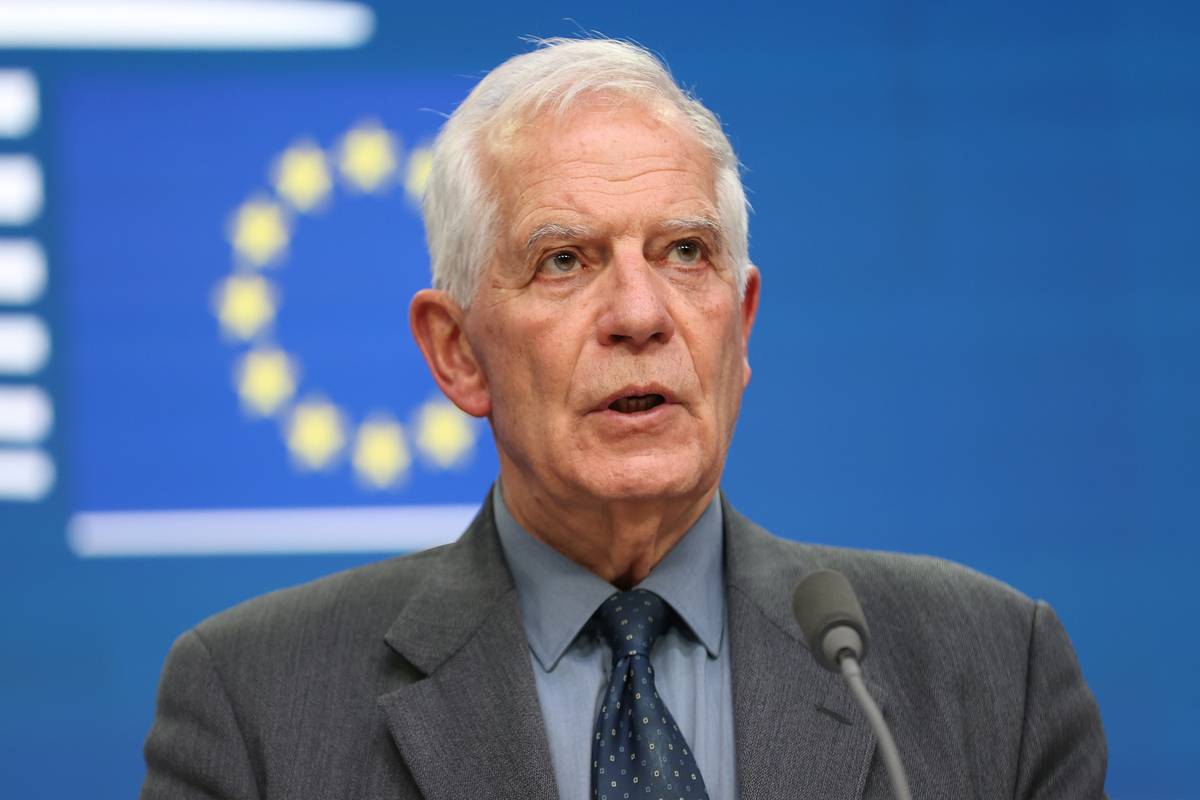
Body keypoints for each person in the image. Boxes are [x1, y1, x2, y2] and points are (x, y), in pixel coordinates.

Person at [141, 38, 1107, 799]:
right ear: (457, 352)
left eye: (686, 252)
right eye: (565, 260)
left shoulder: (992, 671)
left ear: (741, 323)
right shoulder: (255, 704)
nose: (641, 315)